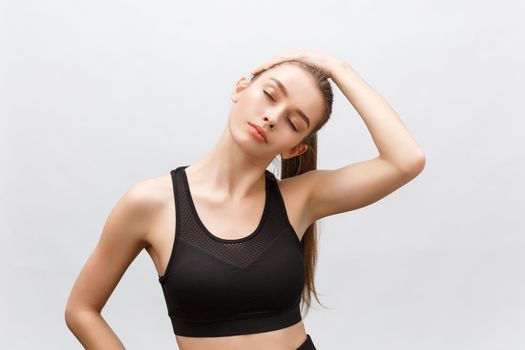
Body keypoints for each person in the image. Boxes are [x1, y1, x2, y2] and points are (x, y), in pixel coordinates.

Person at [64, 49, 426, 350]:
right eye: (270, 94)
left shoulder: (299, 199)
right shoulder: (150, 203)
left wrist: (338, 68)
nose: (271, 117)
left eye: (294, 122)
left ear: (295, 148)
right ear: (241, 87)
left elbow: (406, 160)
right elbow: (82, 309)